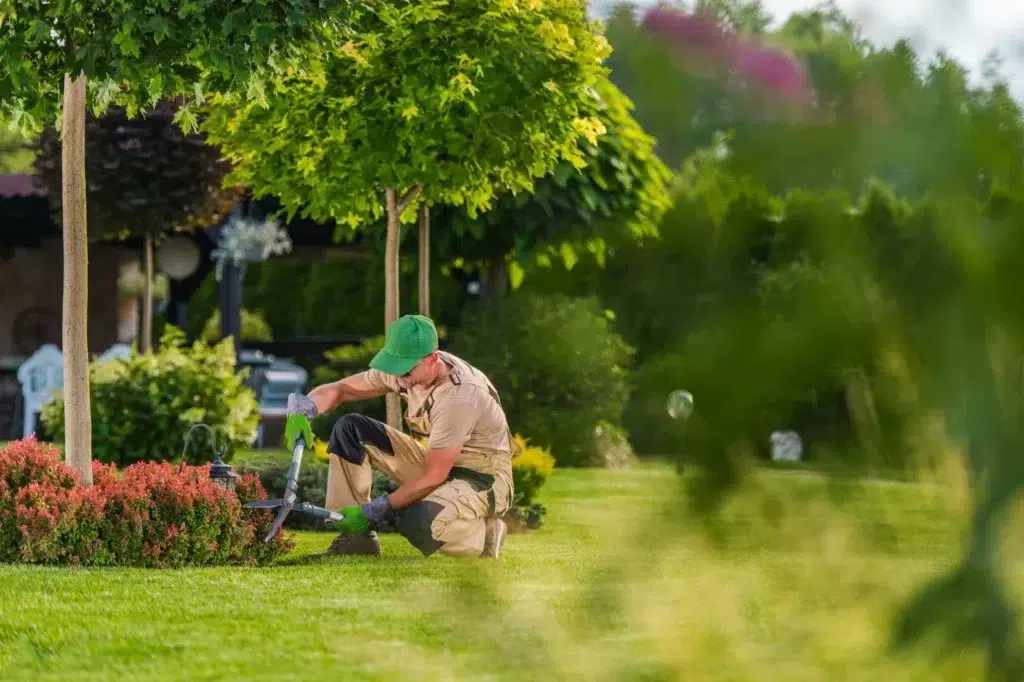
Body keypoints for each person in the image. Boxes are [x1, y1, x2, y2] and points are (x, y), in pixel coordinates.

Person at [284, 314, 519, 559]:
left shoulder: (460, 396)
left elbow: (433, 476)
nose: (398, 379)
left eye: (405, 371)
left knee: (419, 523)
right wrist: (305, 409)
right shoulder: (406, 370)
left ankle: (486, 535)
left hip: (483, 477)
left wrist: (374, 510)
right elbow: (341, 389)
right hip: (440, 461)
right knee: (350, 429)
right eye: (394, 368)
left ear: (432, 360)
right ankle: (356, 540)